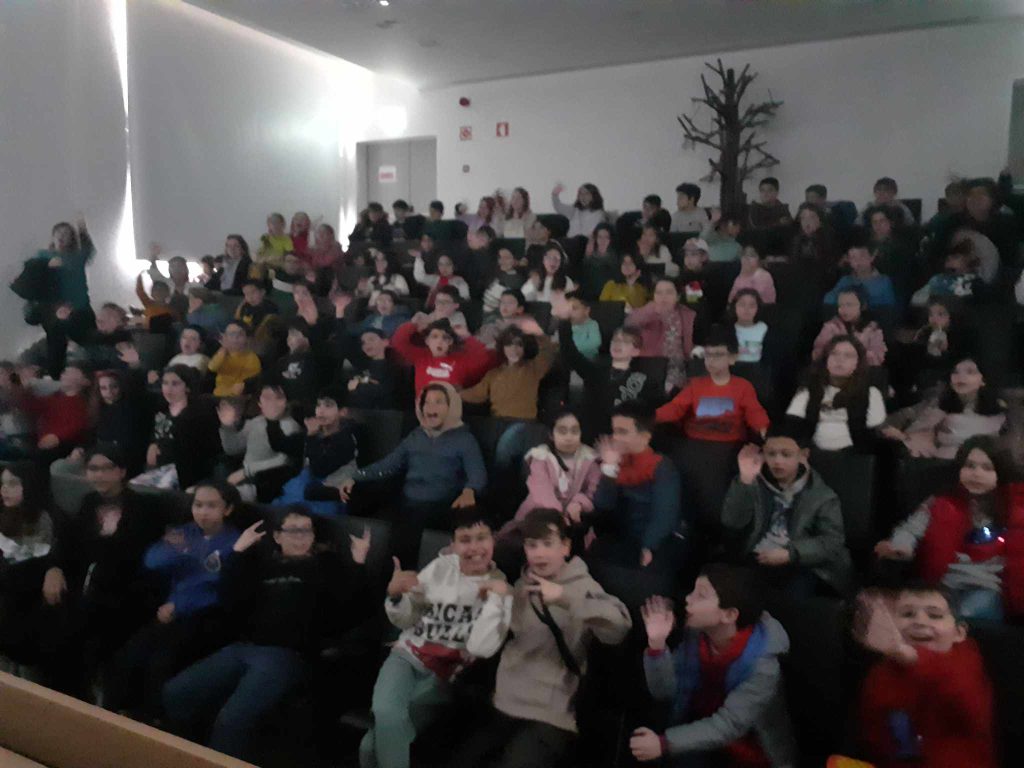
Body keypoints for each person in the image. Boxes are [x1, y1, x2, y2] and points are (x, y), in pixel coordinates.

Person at [164, 508, 372, 761]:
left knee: (232, 720)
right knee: (176, 692)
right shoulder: (262, 566)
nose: (300, 536)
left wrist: (358, 563)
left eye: (306, 530)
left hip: (286, 655)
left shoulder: (325, 566)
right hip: (243, 647)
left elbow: (350, 612)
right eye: (292, 530)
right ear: (277, 536)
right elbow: (230, 600)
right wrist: (238, 552)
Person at [449, 508, 631, 768]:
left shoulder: (583, 586)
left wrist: (565, 598)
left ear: (565, 547)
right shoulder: (520, 585)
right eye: (532, 545)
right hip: (504, 703)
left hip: (550, 714)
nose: (539, 553)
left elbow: (618, 628)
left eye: (547, 544)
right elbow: (489, 639)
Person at [359, 507, 512, 768]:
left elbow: (482, 648)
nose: (475, 547)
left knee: (370, 746)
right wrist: (395, 596)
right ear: (453, 545)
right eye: (465, 540)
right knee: (385, 715)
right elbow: (407, 618)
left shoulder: (502, 587)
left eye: (482, 538)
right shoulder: (440, 568)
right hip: (406, 657)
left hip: (445, 674)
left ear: (493, 539)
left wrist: (497, 599)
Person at [103, 481, 241, 721]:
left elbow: (217, 585)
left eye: (211, 506)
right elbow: (152, 561)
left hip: (206, 615)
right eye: (198, 505)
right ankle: (109, 714)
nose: (203, 512)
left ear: (227, 509)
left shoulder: (235, 541)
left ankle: (152, 720)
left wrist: (180, 604)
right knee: (129, 654)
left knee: (161, 663)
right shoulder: (185, 532)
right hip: (171, 609)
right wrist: (177, 550)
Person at [631, 565, 795, 766]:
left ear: (729, 615)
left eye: (700, 595)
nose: (688, 598)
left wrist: (664, 743)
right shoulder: (698, 636)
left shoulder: (763, 668)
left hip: (746, 751)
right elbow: (664, 691)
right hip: (697, 728)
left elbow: (728, 726)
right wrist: (657, 644)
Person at [45, 444, 169, 695]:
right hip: (88, 586)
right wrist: (54, 568)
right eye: (93, 469)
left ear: (121, 471)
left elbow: (131, 557)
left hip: (125, 593)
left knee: (79, 631)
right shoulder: (89, 502)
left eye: (105, 468)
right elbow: (68, 544)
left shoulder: (146, 507)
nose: (98, 475)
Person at [875, 436, 1024, 621]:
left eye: (987, 468)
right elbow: (910, 530)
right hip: (942, 586)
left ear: (1001, 472)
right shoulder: (940, 503)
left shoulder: (1014, 508)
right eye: (969, 466)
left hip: (987, 588)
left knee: (961, 616)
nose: (976, 474)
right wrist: (901, 546)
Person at [340, 383, 486, 564]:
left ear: (451, 407)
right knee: (360, 496)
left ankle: (400, 569)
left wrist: (469, 491)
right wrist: (355, 476)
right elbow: (388, 465)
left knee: (410, 524)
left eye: (438, 402)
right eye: (427, 402)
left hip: (440, 505)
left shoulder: (464, 439)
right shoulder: (416, 436)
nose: (431, 407)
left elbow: (478, 475)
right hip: (409, 501)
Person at [854, 585, 996, 768]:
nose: (920, 622)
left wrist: (911, 657)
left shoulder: (967, 663)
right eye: (907, 614)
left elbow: (969, 706)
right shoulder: (881, 673)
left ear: (959, 633)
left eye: (934, 615)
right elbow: (873, 736)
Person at [722, 424, 853, 596]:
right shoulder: (752, 481)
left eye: (786, 454)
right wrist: (745, 480)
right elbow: (732, 522)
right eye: (771, 454)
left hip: (800, 562)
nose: (777, 461)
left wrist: (791, 554)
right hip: (756, 557)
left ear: (803, 455)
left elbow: (832, 541)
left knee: (793, 592)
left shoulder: (821, 495)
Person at [589, 403, 684, 602]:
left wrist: (648, 546)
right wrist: (609, 468)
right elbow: (603, 505)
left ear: (645, 436)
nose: (615, 438)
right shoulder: (615, 463)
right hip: (622, 536)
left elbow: (664, 514)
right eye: (614, 431)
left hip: (655, 539)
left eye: (623, 432)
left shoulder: (662, 467)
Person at [500, 410, 601, 553]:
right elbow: (542, 492)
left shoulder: (589, 458)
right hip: (538, 515)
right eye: (562, 431)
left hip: (572, 519)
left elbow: (594, 490)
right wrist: (560, 517)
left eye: (574, 431)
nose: (569, 437)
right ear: (551, 435)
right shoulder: (540, 456)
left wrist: (579, 503)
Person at [0, 463, 63, 684]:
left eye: (12, 484)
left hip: (28, 594)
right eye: (3, 484)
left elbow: (34, 564)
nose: (4, 489)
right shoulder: (4, 514)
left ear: (29, 485)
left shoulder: (44, 519)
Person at [656, 325, 769, 444]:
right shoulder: (695, 385)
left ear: (732, 358)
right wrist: (650, 418)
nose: (711, 360)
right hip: (695, 442)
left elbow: (755, 413)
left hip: (730, 444)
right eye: (708, 355)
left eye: (718, 355)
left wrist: (764, 430)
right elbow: (675, 408)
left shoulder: (743, 387)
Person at [882, 356, 1006, 460]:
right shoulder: (935, 406)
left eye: (970, 372)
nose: (960, 377)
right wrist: (907, 437)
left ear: (983, 380)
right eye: (955, 372)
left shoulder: (999, 414)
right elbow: (890, 423)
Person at [787, 335, 886, 452]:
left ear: (858, 363)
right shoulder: (807, 390)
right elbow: (793, 426)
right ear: (826, 359)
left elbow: (874, 431)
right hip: (812, 454)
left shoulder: (871, 393)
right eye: (834, 354)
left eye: (848, 355)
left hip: (856, 456)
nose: (840, 359)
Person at [130, 365, 220, 491]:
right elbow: (156, 434)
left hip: (186, 471)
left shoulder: (198, 414)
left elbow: (204, 450)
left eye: (175, 384)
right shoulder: (161, 409)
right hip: (160, 468)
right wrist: (153, 444)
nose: (168, 389)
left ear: (187, 387)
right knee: (133, 489)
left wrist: (163, 448)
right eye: (165, 383)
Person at [273, 387, 359, 517]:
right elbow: (281, 446)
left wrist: (312, 436)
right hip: (305, 486)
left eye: (328, 406)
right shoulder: (315, 432)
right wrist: (274, 420)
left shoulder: (346, 439)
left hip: (329, 492)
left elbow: (320, 469)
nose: (321, 411)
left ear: (343, 412)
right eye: (319, 405)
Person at [30, 216, 96, 377]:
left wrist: (82, 229)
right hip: (55, 311)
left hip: (80, 308)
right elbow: (34, 281)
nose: (62, 236)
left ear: (71, 238)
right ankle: (56, 377)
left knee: (90, 343)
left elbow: (89, 250)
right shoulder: (43, 255)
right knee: (56, 346)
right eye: (59, 233)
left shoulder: (77, 256)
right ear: (53, 236)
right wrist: (47, 266)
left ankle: (90, 376)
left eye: (66, 233)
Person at [218, 384, 301, 503]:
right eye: (267, 398)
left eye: (278, 398)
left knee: (222, 498)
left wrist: (246, 472)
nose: (272, 403)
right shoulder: (255, 422)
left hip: (267, 480)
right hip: (244, 474)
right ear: (260, 403)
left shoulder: (290, 426)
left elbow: (285, 460)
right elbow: (232, 449)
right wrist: (227, 427)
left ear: (285, 402)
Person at [461, 319, 555, 421]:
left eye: (519, 345)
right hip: (497, 422)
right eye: (508, 344)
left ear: (525, 347)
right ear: (503, 347)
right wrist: (454, 393)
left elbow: (547, 353)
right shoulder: (493, 373)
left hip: (524, 423)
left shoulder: (533, 368)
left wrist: (539, 334)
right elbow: (477, 394)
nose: (513, 349)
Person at [390, 316, 493, 395]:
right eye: (435, 337)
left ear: (450, 342)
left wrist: (467, 337)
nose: (439, 341)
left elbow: (484, 359)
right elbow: (398, 343)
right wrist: (414, 325)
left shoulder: (460, 361)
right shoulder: (420, 357)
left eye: (445, 338)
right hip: (424, 409)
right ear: (427, 341)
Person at [626, 278, 697, 393]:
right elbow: (629, 324)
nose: (663, 297)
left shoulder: (687, 314)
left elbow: (690, 346)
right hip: (651, 365)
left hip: (679, 366)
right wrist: (651, 311)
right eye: (658, 293)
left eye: (669, 292)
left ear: (678, 296)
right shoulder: (646, 311)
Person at [18, 363, 92, 462]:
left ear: (85, 381)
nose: (64, 374)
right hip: (42, 444)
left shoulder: (82, 403)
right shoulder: (54, 397)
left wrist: (57, 437)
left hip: (64, 446)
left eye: (70, 372)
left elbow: (77, 426)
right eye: (65, 372)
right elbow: (29, 405)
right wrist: (22, 386)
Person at [813, 285, 888, 367]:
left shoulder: (873, 329)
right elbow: (818, 352)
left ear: (863, 306)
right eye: (840, 305)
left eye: (849, 305)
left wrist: (852, 356)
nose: (844, 309)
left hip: (863, 371)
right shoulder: (831, 326)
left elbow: (878, 357)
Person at [823, 242, 897, 309]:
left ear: (871, 257)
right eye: (853, 257)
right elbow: (828, 300)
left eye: (862, 256)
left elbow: (890, 309)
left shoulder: (884, 281)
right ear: (848, 261)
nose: (858, 261)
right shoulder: (845, 280)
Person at [344, 329, 405, 411]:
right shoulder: (360, 367)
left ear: (385, 342)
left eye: (371, 339)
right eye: (363, 343)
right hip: (359, 413)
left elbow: (387, 391)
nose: (367, 344)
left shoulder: (396, 367)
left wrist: (358, 386)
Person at [911, 239, 983, 307]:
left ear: (969, 260)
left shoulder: (975, 283)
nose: (950, 260)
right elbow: (916, 299)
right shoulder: (939, 279)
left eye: (955, 257)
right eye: (947, 259)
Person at [208, 322, 262, 398]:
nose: (236, 337)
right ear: (225, 337)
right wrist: (223, 350)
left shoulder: (252, 358)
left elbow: (245, 387)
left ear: (246, 338)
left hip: (239, 398)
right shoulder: (222, 353)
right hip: (218, 395)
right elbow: (212, 367)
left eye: (240, 334)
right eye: (231, 334)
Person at [276, 319, 320, 405]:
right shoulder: (282, 361)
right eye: (288, 334)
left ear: (307, 337)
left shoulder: (314, 360)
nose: (289, 338)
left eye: (294, 334)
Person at [481, 248, 528, 318]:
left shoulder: (516, 279)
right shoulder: (493, 274)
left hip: (499, 316)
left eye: (507, 258)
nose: (502, 261)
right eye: (500, 257)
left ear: (515, 260)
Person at [579, 223, 620, 301]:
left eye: (606, 237)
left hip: (610, 297)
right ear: (596, 238)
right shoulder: (588, 257)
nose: (603, 241)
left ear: (610, 239)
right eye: (600, 237)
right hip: (590, 297)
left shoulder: (616, 258)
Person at [562, 292, 601, 361]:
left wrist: (571, 348)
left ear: (586, 310)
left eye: (574, 308)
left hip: (587, 360)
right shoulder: (566, 325)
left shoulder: (592, 324)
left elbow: (595, 343)